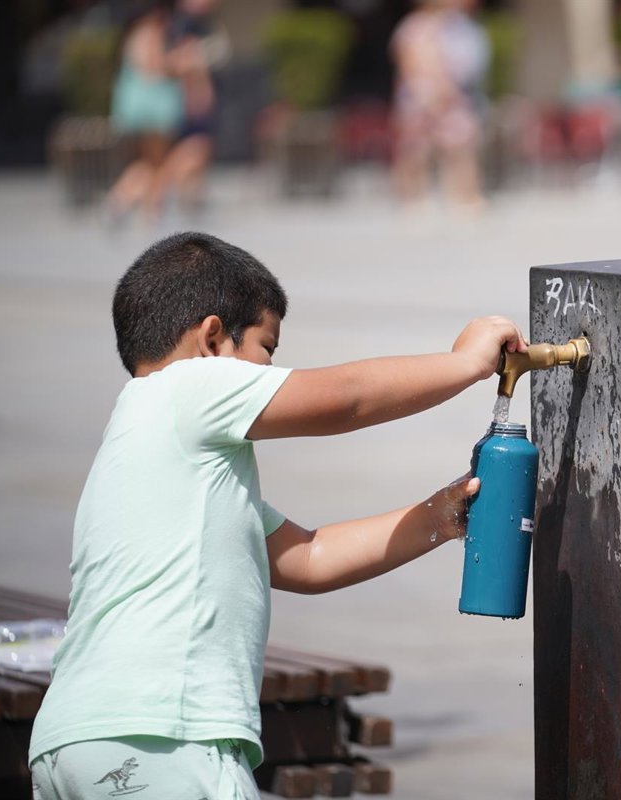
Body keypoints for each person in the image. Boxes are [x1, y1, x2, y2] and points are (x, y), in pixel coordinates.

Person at [27, 232, 527, 798]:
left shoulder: (161, 456)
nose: (273, 369)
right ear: (211, 339)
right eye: (268, 349)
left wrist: (441, 516)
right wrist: (464, 364)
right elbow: (346, 398)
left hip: (73, 738)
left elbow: (309, 558)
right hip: (163, 733)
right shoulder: (187, 386)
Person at [389, 0, 488, 215]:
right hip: (423, 95)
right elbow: (410, 62)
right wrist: (436, 88)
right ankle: (413, 199)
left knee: (459, 147)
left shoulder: (455, 26)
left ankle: (464, 197)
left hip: (452, 95)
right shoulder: (415, 27)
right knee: (417, 149)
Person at [105, 2, 183, 224]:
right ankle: (139, 206)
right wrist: (181, 61)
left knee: (148, 163)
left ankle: (128, 201)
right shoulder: (150, 34)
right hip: (153, 111)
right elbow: (154, 66)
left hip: (135, 110)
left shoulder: (132, 35)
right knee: (157, 164)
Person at [162, 0, 228, 215]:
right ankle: (156, 190)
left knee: (200, 151)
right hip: (193, 101)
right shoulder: (185, 24)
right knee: (195, 149)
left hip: (198, 100)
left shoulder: (201, 23)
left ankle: (187, 198)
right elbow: (179, 62)